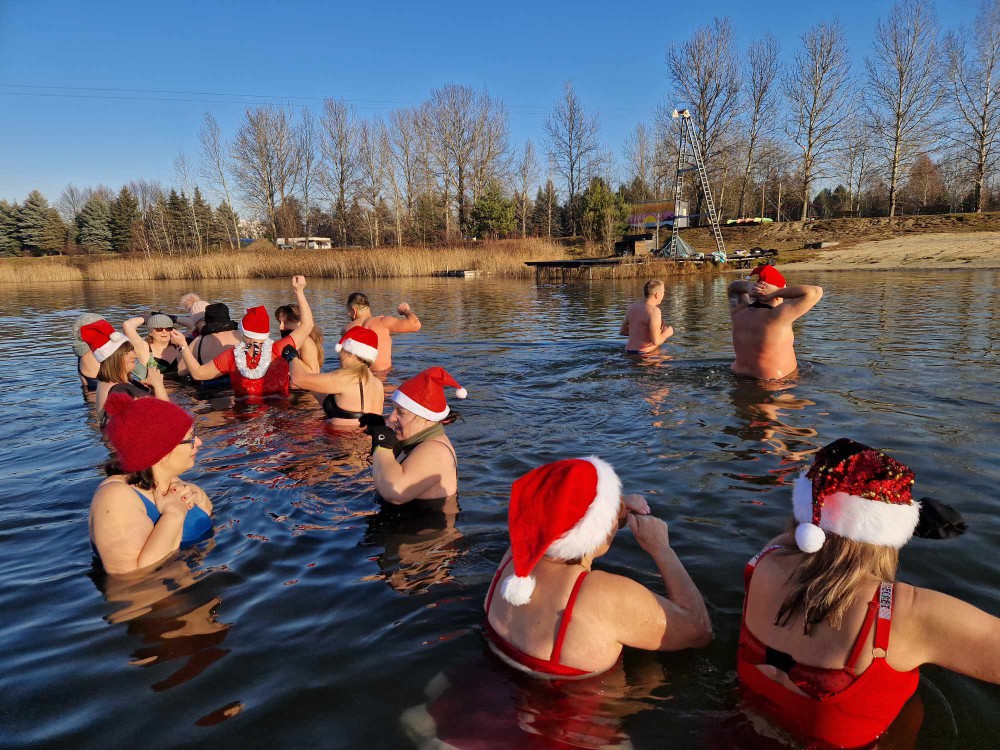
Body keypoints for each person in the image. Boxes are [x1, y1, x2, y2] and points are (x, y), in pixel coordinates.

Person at [738, 438, 1000, 748]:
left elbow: (809, 532)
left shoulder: (767, 558)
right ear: (893, 529)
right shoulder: (907, 614)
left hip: (738, 732)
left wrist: (900, 516)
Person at [484, 457, 712, 679]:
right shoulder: (601, 596)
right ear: (600, 526)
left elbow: (560, 513)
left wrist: (618, 511)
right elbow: (699, 631)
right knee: (653, 673)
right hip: (577, 715)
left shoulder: (515, 558)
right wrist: (662, 550)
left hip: (495, 692)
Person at [89, 393, 213, 574]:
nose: (199, 443)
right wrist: (174, 514)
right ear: (160, 450)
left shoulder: (170, 481)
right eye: (190, 438)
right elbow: (131, 582)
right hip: (170, 598)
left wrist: (198, 495)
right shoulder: (114, 499)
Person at [174, 276, 314, 398]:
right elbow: (307, 325)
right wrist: (299, 291)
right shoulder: (278, 349)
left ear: (243, 333)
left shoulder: (232, 355)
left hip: (244, 417)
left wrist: (183, 346)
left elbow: (198, 374)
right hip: (278, 414)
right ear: (266, 332)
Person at [361, 367, 464, 504]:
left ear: (426, 418)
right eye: (393, 409)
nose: (392, 417)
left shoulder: (435, 450)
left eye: (401, 412)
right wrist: (378, 428)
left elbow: (395, 493)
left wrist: (382, 443)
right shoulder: (417, 440)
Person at [727, 265, 823, 380]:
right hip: (774, 382)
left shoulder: (739, 312)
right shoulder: (777, 317)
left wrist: (749, 286)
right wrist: (778, 291)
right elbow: (816, 291)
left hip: (738, 375)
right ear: (778, 296)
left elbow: (732, 288)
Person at [286, 327, 384, 428]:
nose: (339, 356)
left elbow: (297, 379)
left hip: (346, 441)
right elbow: (340, 407)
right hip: (367, 439)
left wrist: (291, 356)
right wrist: (310, 383)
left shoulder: (346, 378)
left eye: (342, 351)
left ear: (352, 354)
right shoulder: (377, 383)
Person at [81, 319, 169, 415]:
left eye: (132, 350)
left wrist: (151, 389)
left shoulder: (109, 383)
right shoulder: (119, 390)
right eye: (127, 353)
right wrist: (158, 385)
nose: (134, 355)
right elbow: (168, 416)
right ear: (113, 359)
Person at [343, 292, 421, 372]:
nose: (348, 314)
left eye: (348, 312)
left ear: (354, 311)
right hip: (384, 377)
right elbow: (415, 325)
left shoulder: (346, 329)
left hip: (360, 379)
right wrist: (405, 310)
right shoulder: (383, 322)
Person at [177, 303, 239, 387]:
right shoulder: (241, 336)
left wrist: (181, 349)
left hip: (210, 392)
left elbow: (181, 371)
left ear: (206, 321)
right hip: (237, 388)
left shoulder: (198, 341)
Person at [620, 279, 674, 355]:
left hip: (627, 352)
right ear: (657, 295)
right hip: (644, 354)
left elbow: (622, 331)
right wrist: (667, 333)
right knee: (670, 361)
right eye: (663, 292)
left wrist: (642, 332)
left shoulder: (633, 307)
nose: (664, 295)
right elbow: (656, 341)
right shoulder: (654, 311)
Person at [275, 302, 324, 372]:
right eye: (280, 323)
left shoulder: (305, 341)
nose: (281, 327)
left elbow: (313, 372)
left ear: (300, 323)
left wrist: (290, 356)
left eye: (286, 323)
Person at [73, 312, 103, 393]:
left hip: (91, 400)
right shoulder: (98, 353)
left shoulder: (82, 354)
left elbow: (85, 385)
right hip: (107, 399)